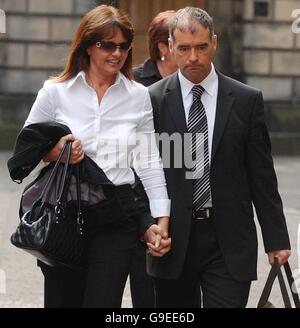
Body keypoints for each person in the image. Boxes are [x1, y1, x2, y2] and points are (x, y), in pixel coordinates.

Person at [23, 5, 171, 308]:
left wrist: (161, 220)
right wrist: (58, 152)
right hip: (64, 215)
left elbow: (149, 163)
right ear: (89, 45)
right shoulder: (56, 92)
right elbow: (27, 148)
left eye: (123, 46)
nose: (116, 53)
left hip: (116, 218)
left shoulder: (137, 95)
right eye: (107, 45)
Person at [144, 6, 291, 308]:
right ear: (170, 47)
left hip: (229, 241)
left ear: (214, 43)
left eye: (200, 47)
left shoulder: (246, 101)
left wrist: (276, 239)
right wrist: (149, 227)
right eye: (184, 48)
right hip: (173, 240)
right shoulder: (152, 100)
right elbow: (142, 174)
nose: (193, 57)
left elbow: (261, 175)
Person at [129, 10, 177, 308]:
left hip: (179, 194)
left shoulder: (194, 82)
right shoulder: (134, 82)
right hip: (138, 196)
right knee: (145, 288)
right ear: (163, 46)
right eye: (181, 43)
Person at [133, 10, 177, 86]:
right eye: (183, 47)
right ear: (162, 48)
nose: (191, 55)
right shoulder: (133, 80)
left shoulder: (192, 76)